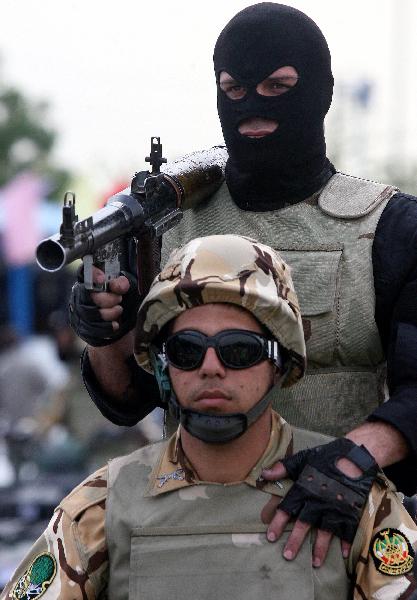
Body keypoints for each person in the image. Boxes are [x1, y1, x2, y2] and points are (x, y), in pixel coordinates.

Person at [69, 2, 417, 561]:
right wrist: (104, 332)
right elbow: (129, 400)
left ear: (321, 92)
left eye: (277, 86)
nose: (253, 107)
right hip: (190, 533)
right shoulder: (166, 226)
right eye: (233, 90)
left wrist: (353, 459)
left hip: (347, 528)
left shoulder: (389, 228)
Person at [3, 235, 417, 600]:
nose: (211, 367)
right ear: (165, 366)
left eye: (239, 350)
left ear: (280, 362)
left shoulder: (348, 499)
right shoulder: (102, 505)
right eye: (188, 349)